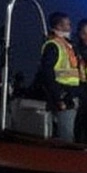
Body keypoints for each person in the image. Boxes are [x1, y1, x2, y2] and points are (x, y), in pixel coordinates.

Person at [35, 11, 80, 140]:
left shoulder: (67, 45)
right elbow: (47, 73)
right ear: (58, 26)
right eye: (67, 24)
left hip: (71, 94)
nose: (70, 27)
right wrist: (59, 96)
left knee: (70, 131)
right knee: (66, 133)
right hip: (63, 95)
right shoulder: (53, 45)